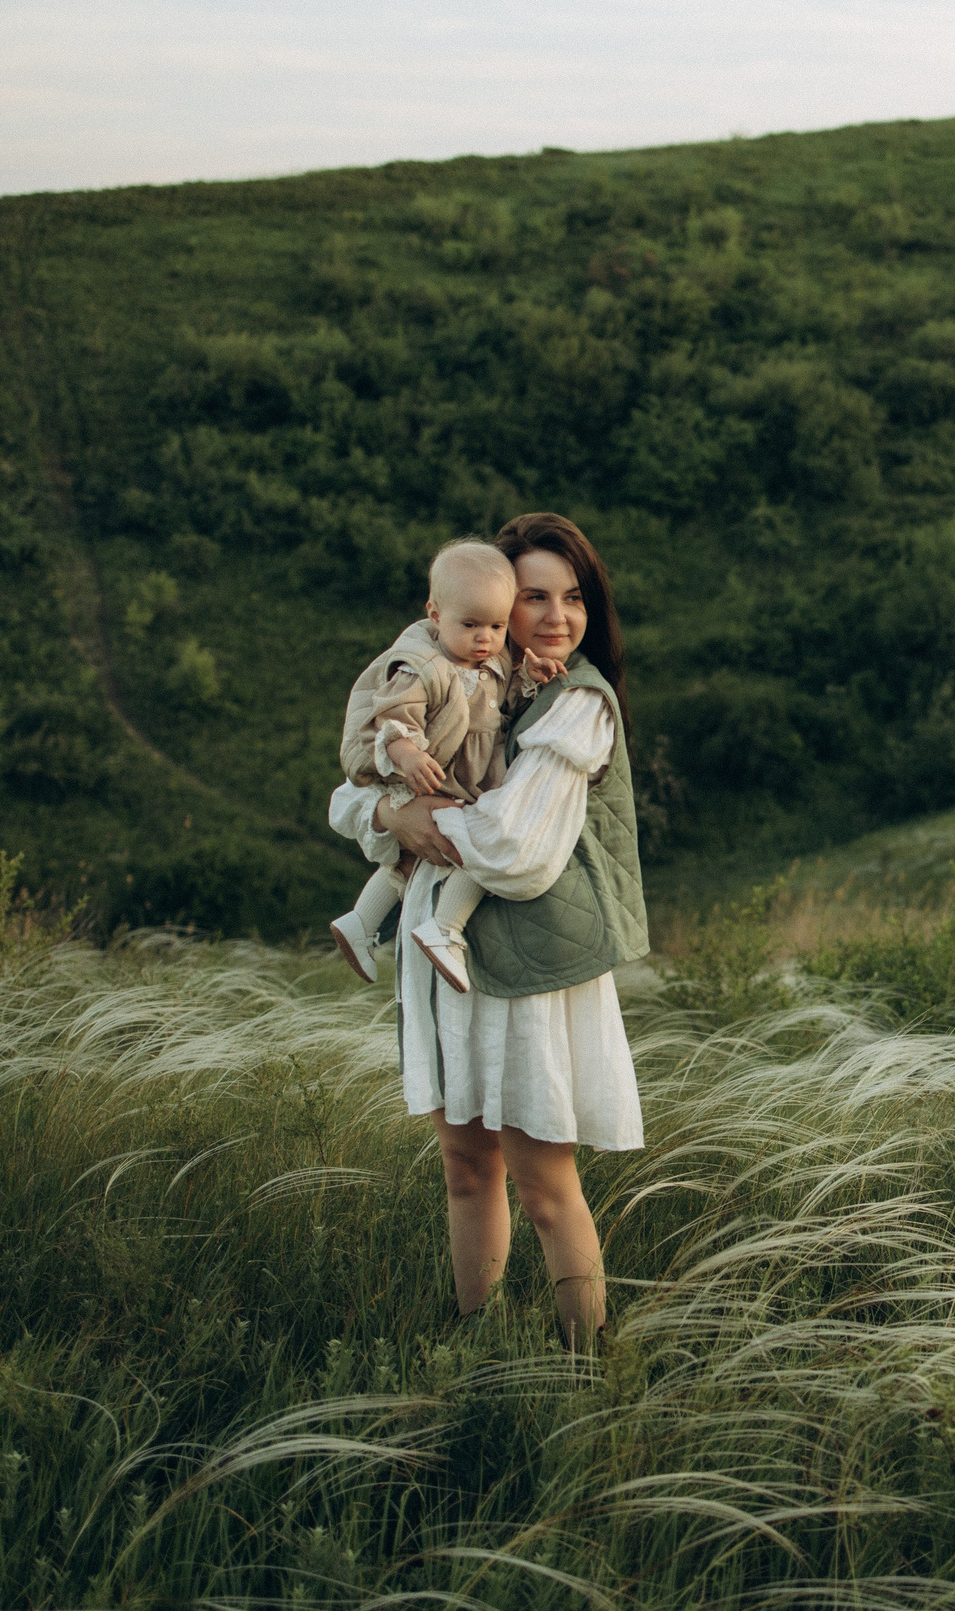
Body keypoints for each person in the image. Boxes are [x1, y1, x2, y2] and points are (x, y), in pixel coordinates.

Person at [328, 512, 646, 1351]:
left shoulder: (580, 702)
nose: (555, 616)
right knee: (467, 1170)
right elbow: (345, 800)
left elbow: (517, 849)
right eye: (534, 597)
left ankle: (588, 1369)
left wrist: (410, 820)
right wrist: (390, 811)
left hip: (530, 971)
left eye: (573, 597)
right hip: (447, 961)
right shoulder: (465, 672)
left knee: (546, 1187)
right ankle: (476, 1354)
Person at [326, 538, 560, 992]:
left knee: (412, 859)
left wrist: (528, 679)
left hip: (466, 776)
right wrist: (408, 755)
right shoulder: (422, 667)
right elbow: (392, 718)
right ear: (435, 615)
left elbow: (502, 706)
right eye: (470, 624)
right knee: (478, 846)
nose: (484, 638)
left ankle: (361, 922)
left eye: (496, 625)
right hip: (430, 774)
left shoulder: (494, 660)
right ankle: (445, 928)